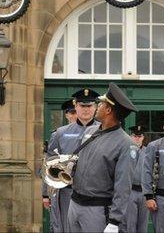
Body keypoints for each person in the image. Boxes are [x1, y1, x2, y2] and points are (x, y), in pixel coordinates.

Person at [67, 82, 138, 233]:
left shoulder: (126, 144)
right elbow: (81, 160)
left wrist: (114, 221)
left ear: (108, 110)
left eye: (101, 103)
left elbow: (123, 187)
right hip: (74, 203)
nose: (97, 105)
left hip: (97, 210)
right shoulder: (91, 130)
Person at [44, 88, 99, 232]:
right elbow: (49, 164)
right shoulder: (61, 133)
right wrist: (46, 193)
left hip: (96, 193)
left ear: (96, 107)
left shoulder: (104, 131)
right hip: (67, 192)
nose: (86, 109)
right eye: (82, 106)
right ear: (76, 106)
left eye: (89, 106)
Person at [123, 124, 149, 233]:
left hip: (144, 192)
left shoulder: (148, 151)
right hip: (130, 191)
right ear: (130, 136)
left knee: (143, 224)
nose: (137, 138)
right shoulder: (125, 151)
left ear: (143, 137)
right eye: (135, 136)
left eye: (140, 136)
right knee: (130, 224)